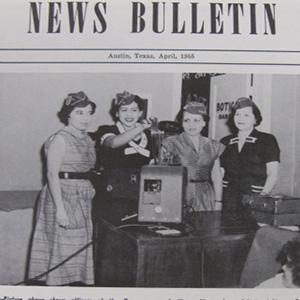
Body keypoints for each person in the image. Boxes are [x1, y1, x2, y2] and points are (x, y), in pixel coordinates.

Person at [28, 91, 97, 286]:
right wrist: (60, 209)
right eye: (79, 113)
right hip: (62, 196)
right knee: (61, 249)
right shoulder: (60, 138)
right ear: (68, 114)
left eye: (89, 112)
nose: (85, 118)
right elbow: (52, 175)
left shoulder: (87, 139)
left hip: (81, 197)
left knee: (77, 249)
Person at [161, 101, 225, 211]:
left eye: (196, 120)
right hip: (178, 194)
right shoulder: (171, 143)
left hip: (205, 196)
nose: (191, 125)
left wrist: (218, 202)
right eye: (187, 120)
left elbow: (216, 176)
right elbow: (162, 174)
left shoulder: (213, 145)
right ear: (181, 122)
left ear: (204, 123)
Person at [220, 97, 280, 212]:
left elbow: (273, 173)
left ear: (255, 119)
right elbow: (220, 172)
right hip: (229, 198)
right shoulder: (226, 142)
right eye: (237, 114)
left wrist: (262, 196)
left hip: (255, 196)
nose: (241, 119)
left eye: (246, 115)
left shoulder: (267, 140)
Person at [92, 90, 153, 170]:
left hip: (142, 180)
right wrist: (141, 127)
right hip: (114, 181)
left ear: (140, 113)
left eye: (134, 110)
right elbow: (113, 143)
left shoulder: (149, 135)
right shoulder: (106, 129)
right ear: (117, 113)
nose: (129, 114)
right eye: (124, 110)